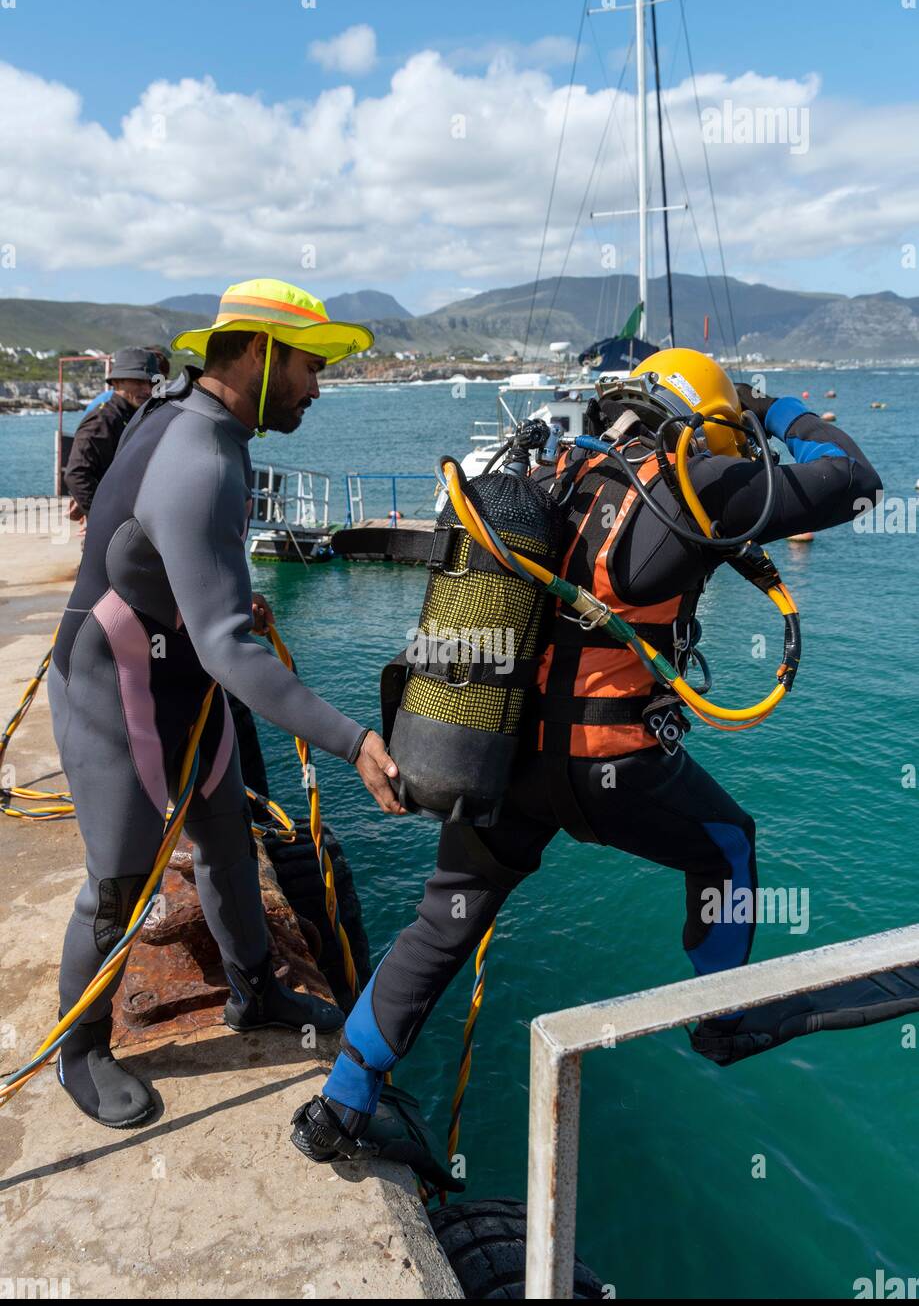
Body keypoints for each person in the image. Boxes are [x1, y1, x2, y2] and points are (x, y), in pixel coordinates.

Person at [292, 347, 916, 1167]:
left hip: (503, 757)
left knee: (440, 924)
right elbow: (854, 477)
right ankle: (718, 1017)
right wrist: (779, 412)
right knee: (726, 845)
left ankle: (336, 1110)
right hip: (609, 768)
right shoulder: (701, 485)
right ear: (701, 425)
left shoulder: (560, 476)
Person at [49, 278, 403, 1129]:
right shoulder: (202, 456)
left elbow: (168, 553)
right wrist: (353, 741)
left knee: (226, 844)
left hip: (179, 674)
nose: (318, 386)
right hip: (116, 680)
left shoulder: (204, 424)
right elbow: (225, 649)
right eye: (310, 366)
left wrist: (223, 598)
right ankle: (80, 1050)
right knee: (119, 882)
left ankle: (257, 992)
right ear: (258, 352)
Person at [64, 349, 159, 518]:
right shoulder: (103, 420)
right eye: (138, 381)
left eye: (151, 383)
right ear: (117, 382)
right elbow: (77, 475)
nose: (146, 389)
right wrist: (104, 518)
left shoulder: (134, 415)